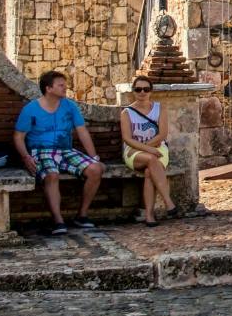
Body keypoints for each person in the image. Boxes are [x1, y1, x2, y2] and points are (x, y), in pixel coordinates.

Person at [15, 70, 104, 233]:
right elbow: (18, 136)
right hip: (41, 151)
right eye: (61, 85)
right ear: (49, 88)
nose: (65, 88)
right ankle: (58, 221)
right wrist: (26, 157)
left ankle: (82, 215)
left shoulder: (70, 106)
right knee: (52, 175)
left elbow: (82, 131)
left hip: (65, 150)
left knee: (96, 169)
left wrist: (94, 157)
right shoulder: (31, 109)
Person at [119, 78, 175, 226]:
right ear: (133, 91)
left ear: (151, 91)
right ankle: (168, 202)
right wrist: (147, 149)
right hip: (134, 151)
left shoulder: (159, 109)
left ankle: (149, 216)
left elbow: (162, 134)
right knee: (151, 159)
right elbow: (127, 138)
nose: (142, 92)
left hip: (157, 147)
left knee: (150, 172)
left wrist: (148, 146)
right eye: (138, 89)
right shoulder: (127, 113)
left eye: (145, 89)